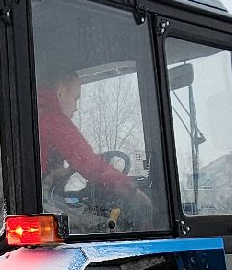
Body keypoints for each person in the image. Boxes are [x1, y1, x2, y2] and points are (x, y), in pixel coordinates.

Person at [36, 70, 151, 224]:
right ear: (61, 92)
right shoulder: (53, 119)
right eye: (75, 98)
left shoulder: (31, 114)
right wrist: (130, 190)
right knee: (105, 227)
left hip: (4, 204)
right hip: (37, 206)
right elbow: (90, 165)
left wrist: (62, 173)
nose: (76, 107)